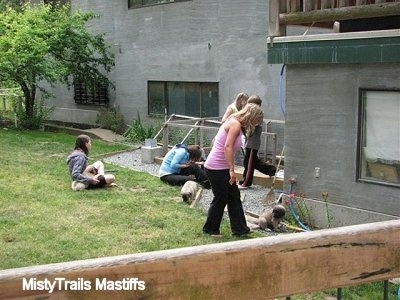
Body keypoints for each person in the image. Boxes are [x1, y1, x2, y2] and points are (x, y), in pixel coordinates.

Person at [203, 103, 264, 237]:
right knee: (221, 197)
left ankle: (240, 229)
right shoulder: (235, 124)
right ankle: (210, 229)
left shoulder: (236, 124)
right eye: (257, 119)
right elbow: (227, 147)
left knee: (234, 196)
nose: (257, 123)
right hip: (215, 167)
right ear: (251, 116)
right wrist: (232, 170)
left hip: (221, 167)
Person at [239, 95, 277, 189]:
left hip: (253, 144)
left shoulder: (258, 114)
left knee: (249, 163)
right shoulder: (255, 114)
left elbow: (252, 125)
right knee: (252, 162)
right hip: (250, 142)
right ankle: (271, 170)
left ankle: (247, 182)